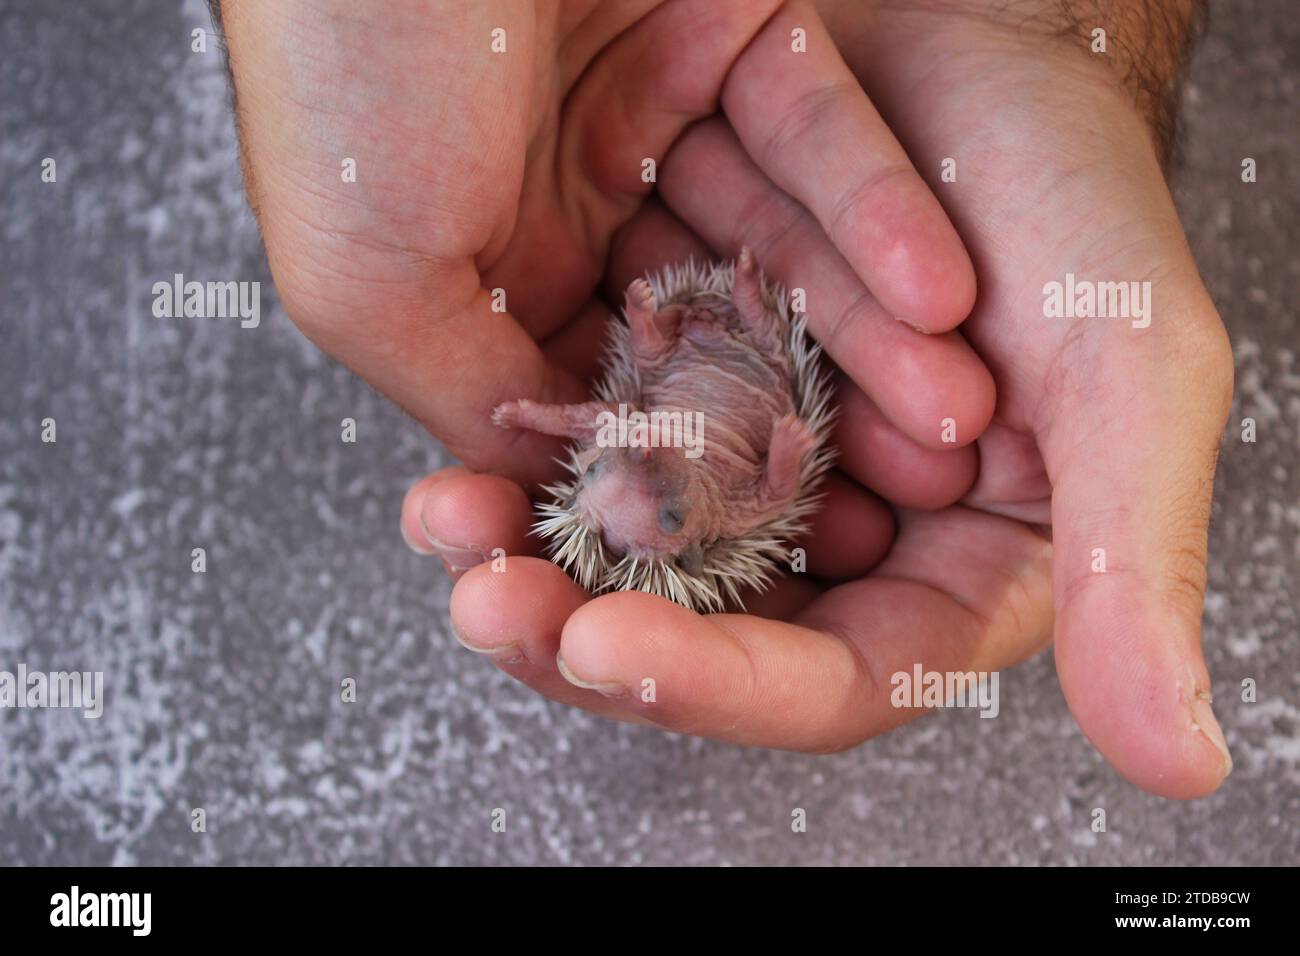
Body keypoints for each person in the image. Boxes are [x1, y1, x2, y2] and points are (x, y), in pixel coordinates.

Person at [212, 0, 1233, 798]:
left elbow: (593, 418)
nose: (642, 463)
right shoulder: (723, 516)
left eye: (622, 467)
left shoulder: (623, 449)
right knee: (757, 336)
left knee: (660, 350)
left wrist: (530, 413)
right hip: (747, 378)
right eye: (656, 495)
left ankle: (703, 316)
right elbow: (767, 483)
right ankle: (728, 309)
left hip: (687, 356)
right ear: (680, 538)